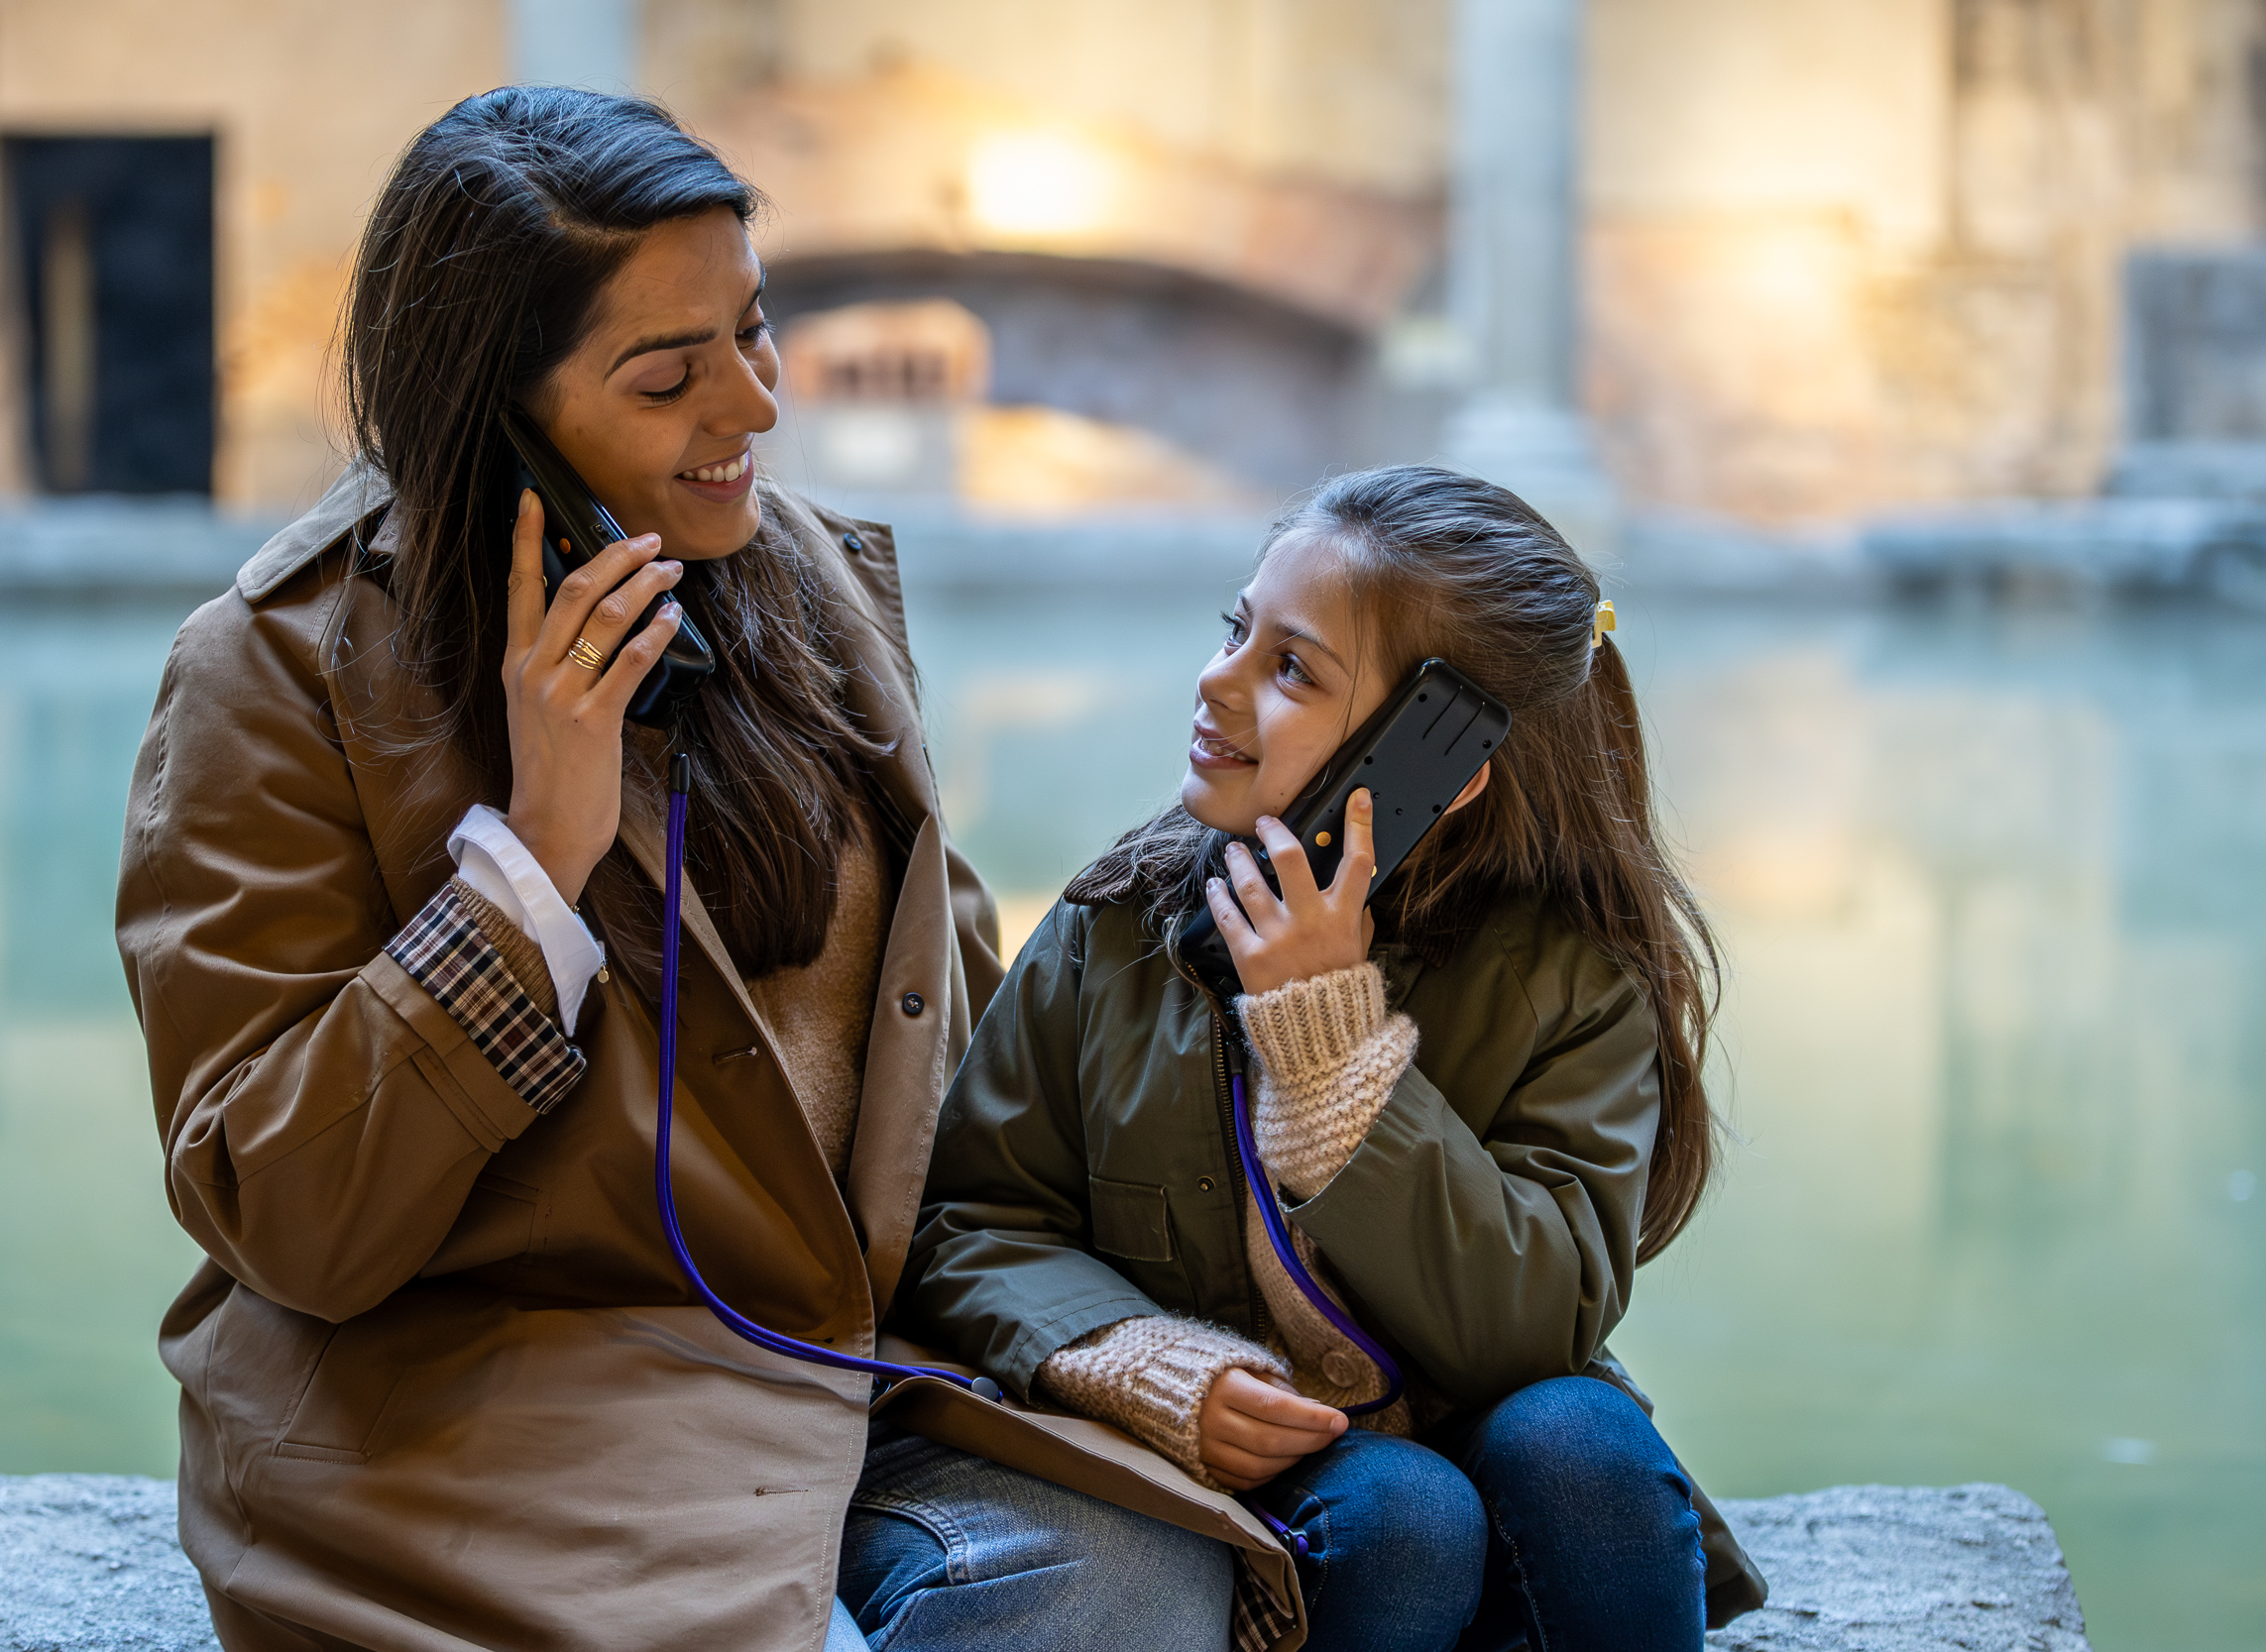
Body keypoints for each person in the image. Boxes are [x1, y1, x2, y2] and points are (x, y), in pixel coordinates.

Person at [116, 87, 1231, 1652]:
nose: (758, 406)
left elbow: (947, 1056)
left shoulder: (810, 580)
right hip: (497, 1405)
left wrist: (1110, 1311)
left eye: (755, 331)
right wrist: (529, 867)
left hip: (864, 1362)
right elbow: (281, 1209)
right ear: (495, 409)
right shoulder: (275, 674)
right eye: (670, 375)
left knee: (1153, 1582)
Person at [892, 466, 1770, 1651]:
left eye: (1290, 667)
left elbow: (1535, 1322)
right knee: (1404, 1508)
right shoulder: (1117, 924)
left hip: (1495, 1473)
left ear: (1436, 766)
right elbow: (969, 1220)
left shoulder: (1569, 977)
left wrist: (1333, 1050)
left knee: (1581, 1440)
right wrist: (1130, 1359)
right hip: (1307, 1511)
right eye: (1235, 630)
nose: (1217, 680)